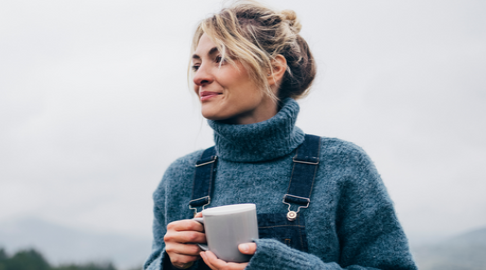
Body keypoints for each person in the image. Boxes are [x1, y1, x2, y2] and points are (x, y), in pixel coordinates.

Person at [144, 1, 417, 270]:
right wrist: (168, 264)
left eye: (221, 59)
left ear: (273, 69)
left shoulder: (342, 165)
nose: (199, 76)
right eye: (195, 64)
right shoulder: (180, 177)